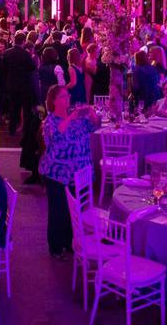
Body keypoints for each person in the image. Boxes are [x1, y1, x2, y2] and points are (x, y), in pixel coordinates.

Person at [38, 85, 100, 259]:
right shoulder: (51, 121)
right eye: (63, 96)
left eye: (67, 96)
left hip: (78, 174)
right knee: (59, 211)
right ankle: (56, 248)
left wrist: (91, 113)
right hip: (57, 174)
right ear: (54, 101)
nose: (68, 99)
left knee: (75, 211)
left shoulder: (77, 119)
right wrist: (72, 116)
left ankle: (71, 243)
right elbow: (56, 136)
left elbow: (94, 127)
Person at [2, 32, 36, 136]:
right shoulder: (26, 54)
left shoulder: (7, 53)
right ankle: (25, 129)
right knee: (24, 108)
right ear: (23, 42)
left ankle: (12, 129)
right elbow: (32, 68)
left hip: (11, 84)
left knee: (12, 107)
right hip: (24, 85)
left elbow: (4, 69)